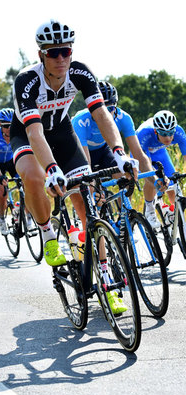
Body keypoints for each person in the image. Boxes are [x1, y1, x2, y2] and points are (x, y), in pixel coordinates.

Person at [10, 19, 138, 268]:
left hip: (62, 132)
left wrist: (119, 152)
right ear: (41, 55)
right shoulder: (27, 80)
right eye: (53, 53)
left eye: (66, 51)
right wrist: (51, 169)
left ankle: (104, 272)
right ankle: (47, 234)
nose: (61, 59)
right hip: (27, 134)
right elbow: (35, 132)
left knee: (86, 195)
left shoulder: (80, 71)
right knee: (34, 176)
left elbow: (101, 114)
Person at [72, 81, 161, 227]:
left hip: (104, 149)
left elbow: (138, 153)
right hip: (82, 152)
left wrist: (155, 180)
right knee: (92, 195)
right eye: (100, 109)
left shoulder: (124, 118)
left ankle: (123, 219)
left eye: (111, 108)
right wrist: (92, 191)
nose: (105, 114)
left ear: (116, 106)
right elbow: (86, 163)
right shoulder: (81, 121)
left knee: (126, 175)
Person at [137, 110, 186, 224]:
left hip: (160, 153)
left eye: (171, 133)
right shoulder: (144, 133)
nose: (168, 137)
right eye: (163, 134)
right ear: (156, 131)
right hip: (144, 153)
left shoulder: (179, 132)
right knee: (151, 180)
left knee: (173, 184)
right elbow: (146, 165)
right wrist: (155, 179)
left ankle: (174, 214)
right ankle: (149, 211)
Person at [0, 107, 23, 235]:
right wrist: (0, 176)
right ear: (0, 125)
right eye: (6, 126)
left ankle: (26, 215)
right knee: (2, 191)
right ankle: (2, 220)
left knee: (27, 184)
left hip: (12, 161)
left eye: (12, 125)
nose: (9, 129)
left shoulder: (18, 133)